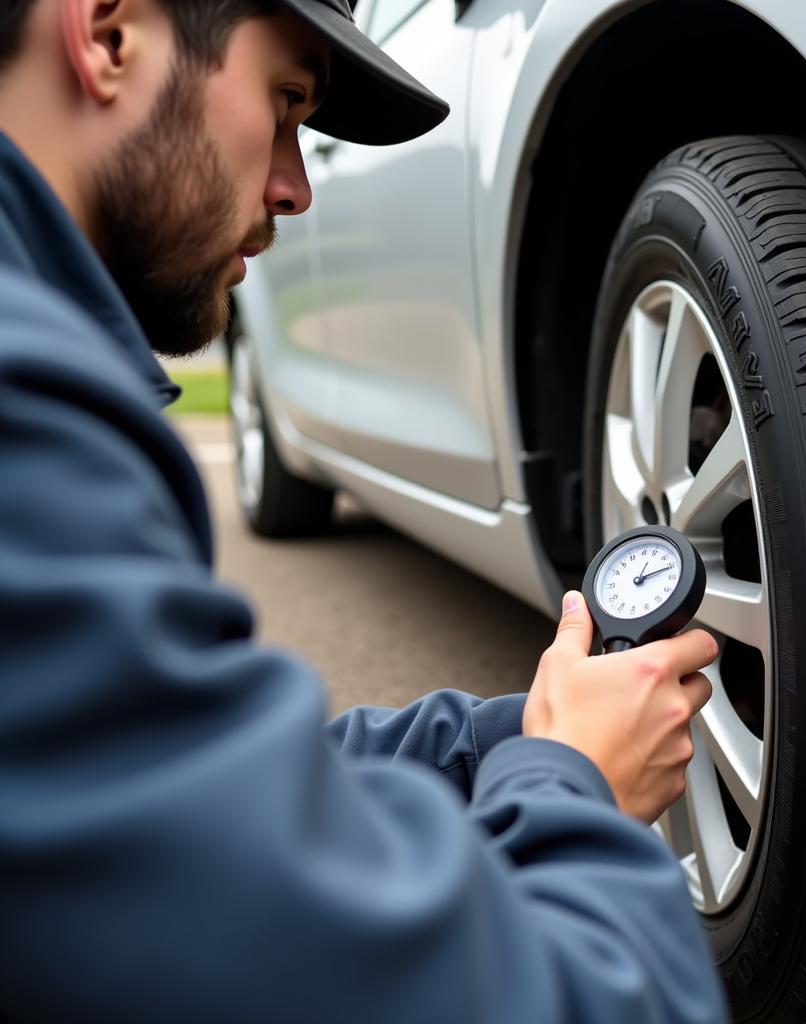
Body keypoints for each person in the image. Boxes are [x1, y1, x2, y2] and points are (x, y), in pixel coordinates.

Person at [0, 1, 728, 1020]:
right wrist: (570, 787)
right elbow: (588, 999)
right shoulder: (28, 421)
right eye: (285, 100)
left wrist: (514, 736)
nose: (297, 186)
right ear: (111, 32)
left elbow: (198, 808)